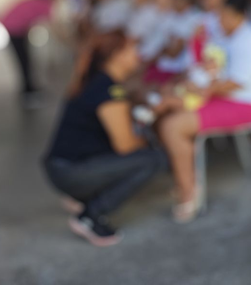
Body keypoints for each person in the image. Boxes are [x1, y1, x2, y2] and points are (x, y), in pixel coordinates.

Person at [158, 0, 251, 223]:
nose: (218, 20)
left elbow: (232, 83)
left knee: (172, 126)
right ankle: (186, 178)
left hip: (244, 105)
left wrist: (199, 89)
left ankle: (189, 192)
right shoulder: (226, 34)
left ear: (237, 14)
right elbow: (209, 66)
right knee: (167, 109)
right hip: (220, 97)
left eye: (223, 15)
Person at [43, 30, 167, 247]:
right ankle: (90, 215)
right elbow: (126, 146)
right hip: (71, 172)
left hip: (62, 166)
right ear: (116, 55)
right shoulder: (108, 92)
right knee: (154, 159)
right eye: (132, 49)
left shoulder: (98, 81)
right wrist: (148, 140)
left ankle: (82, 196)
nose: (138, 54)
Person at [0, 0, 60, 106]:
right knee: (24, 60)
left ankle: (30, 88)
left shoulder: (33, 0)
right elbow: (54, 26)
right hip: (15, 30)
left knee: (26, 59)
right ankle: (28, 92)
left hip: (15, 29)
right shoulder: (44, 4)